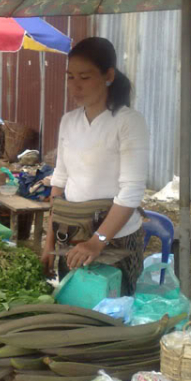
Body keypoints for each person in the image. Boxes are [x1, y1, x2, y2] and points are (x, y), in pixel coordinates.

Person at [40, 37, 149, 296]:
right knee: (74, 308)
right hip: (72, 235)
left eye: (85, 78)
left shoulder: (128, 122)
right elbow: (60, 183)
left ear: (108, 75)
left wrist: (97, 242)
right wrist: (49, 243)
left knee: (111, 316)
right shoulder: (69, 121)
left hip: (117, 239)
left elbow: (131, 192)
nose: (75, 86)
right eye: (70, 77)